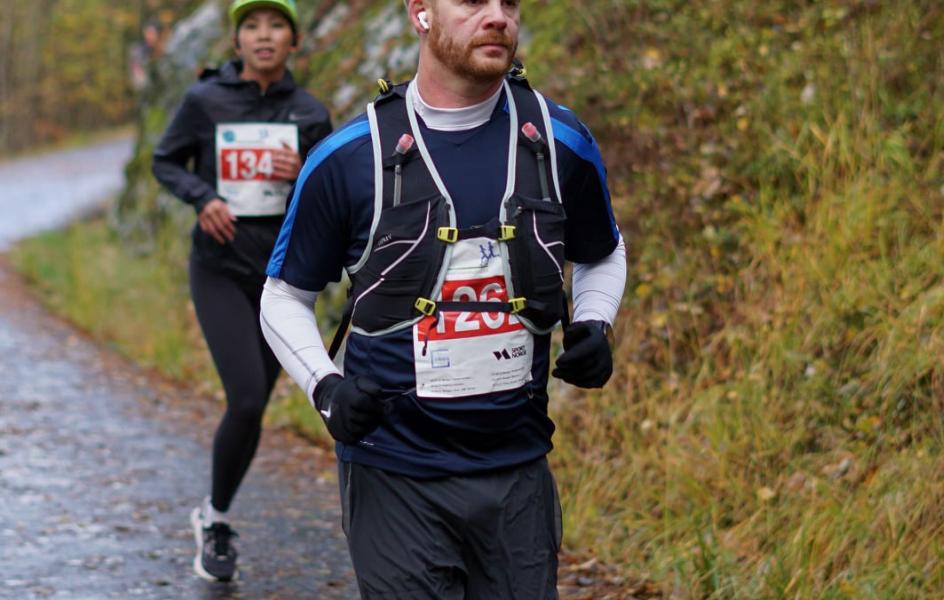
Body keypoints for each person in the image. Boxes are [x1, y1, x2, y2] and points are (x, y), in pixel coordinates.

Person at [261, 0, 628, 597]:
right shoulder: (349, 157)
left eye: (508, 3)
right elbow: (282, 296)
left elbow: (602, 251)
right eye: (473, 1)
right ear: (421, 13)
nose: (497, 16)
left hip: (517, 470)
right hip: (394, 471)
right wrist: (325, 387)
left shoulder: (559, 142)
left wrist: (595, 321)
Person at [150, 0, 332, 584]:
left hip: (284, 282)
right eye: (251, 26)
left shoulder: (310, 113)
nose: (263, 35)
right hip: (221, 271)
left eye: (276, 25)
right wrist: (203, 199)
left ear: (294, 40)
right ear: (236, 40)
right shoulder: (206, 101)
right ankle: (219, 521)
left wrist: (303, 167)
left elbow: (334, 193)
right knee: (248, 398)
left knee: (251, 409)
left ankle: (213, 511)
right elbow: (164, 161)